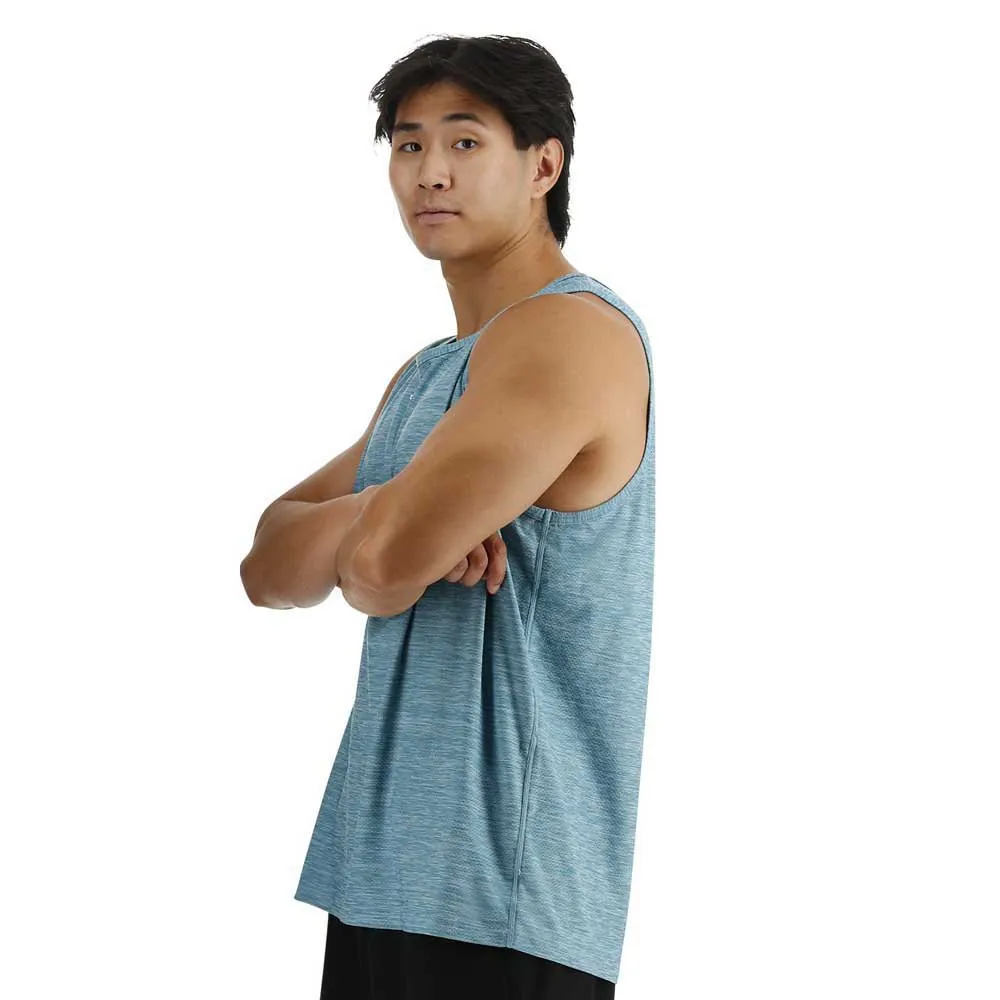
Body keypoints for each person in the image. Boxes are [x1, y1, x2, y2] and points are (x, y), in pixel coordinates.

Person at [287, 33, 655, 998]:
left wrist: (377, 537)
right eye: (408, 145)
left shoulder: (570, 332)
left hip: (498, 892)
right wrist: (386, 505)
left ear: (544, 165)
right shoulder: (429, 373)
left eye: (463, 141)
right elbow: (266, 563)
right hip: (379, 873)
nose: (429, 172)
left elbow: (377, 573)